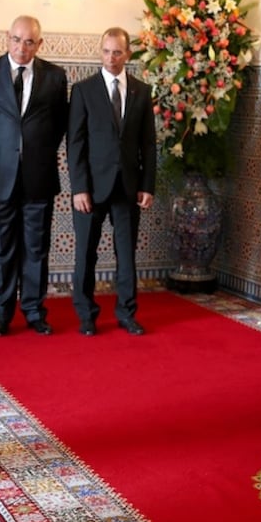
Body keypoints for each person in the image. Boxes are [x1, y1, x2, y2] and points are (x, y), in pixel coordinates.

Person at [0, 15, 69, 336]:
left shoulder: (55, 77)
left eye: (29, 42)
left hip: (39, 176)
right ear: (6, 38)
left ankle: (34, 310)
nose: (21, 47)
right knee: (2, 248)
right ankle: (1, 314)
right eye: (16, 39)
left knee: (37, 247)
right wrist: (3, 154)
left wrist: (34, 154)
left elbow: (58, 126)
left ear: (39, 44)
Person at [66, 27, 156, 336]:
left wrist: (148, 185)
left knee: (126, 254)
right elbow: (75, 143)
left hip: (129, 187)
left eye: (117, 52)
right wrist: (79, 188)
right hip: (90, 188)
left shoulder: (142, 91)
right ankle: (86, 314)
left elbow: (148, 143)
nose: (111, 58)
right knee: (86, 254)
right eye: (106, 51)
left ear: (127, 54)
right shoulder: (83, 90)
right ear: (100, 51)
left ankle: (127, 313)